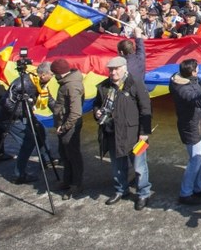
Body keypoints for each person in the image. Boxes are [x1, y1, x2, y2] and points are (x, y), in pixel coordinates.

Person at [95, 56, 153, 211]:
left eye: (116, 69)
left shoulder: (136, 83)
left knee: (139, 166)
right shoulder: (103, 87)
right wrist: (97, 113)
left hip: (135, 134)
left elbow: (146, 109)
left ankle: (143, 193)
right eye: (111, 69)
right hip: (112, 133)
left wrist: (144, 132)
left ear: (124, 68)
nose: (113, 72)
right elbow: (96, 105)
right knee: (117, 166)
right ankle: (121, 190)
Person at [169, 59, 201, 205]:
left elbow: (197, 85)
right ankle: (185, 193)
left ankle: (198, 186)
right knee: (196, 159)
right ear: (192, 72)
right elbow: (200, 102)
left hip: (198, 124)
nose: (198, 71)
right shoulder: (182, 89)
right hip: (191, 127)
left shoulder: (184, 79)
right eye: (197, 69)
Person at [3, 62, 55, 185]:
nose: (53, 77)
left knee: (41, 131)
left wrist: (60, 113)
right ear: (43, 75)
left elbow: (50, 100)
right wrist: (24, 113)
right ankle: (19, 175)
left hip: (26, 115)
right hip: (11, 118)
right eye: (51, 74)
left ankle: (46, 160)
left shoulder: (41, 84)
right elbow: (6, 103)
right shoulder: (23, 83)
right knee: (28, 142)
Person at [49, 58, 85, 200]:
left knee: (73, 155)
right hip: (63, 125)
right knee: (65, 155)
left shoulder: (71, 86)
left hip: (69, 126)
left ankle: (76, 184)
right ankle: (67, 180)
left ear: (58, 73)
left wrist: (64, 127)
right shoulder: (66, 83)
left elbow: (75, 112)